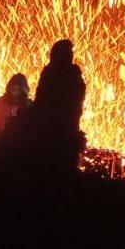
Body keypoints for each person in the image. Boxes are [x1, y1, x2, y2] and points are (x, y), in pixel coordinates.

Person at [31, 39, 86, 171]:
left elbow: (78, 98)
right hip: (54, 132)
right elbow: (41, 100)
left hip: (65, 129)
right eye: (68, 53)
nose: (71, 56)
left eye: (71, 53)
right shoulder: (52, 74)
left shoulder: (69, 74)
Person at [0, 73, 32, 160]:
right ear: (9, 88)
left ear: (23, 91)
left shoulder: (28, 106)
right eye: (13, 89)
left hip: (20, 144)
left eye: (18, 90)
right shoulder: (1, 102)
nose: (15, 92)